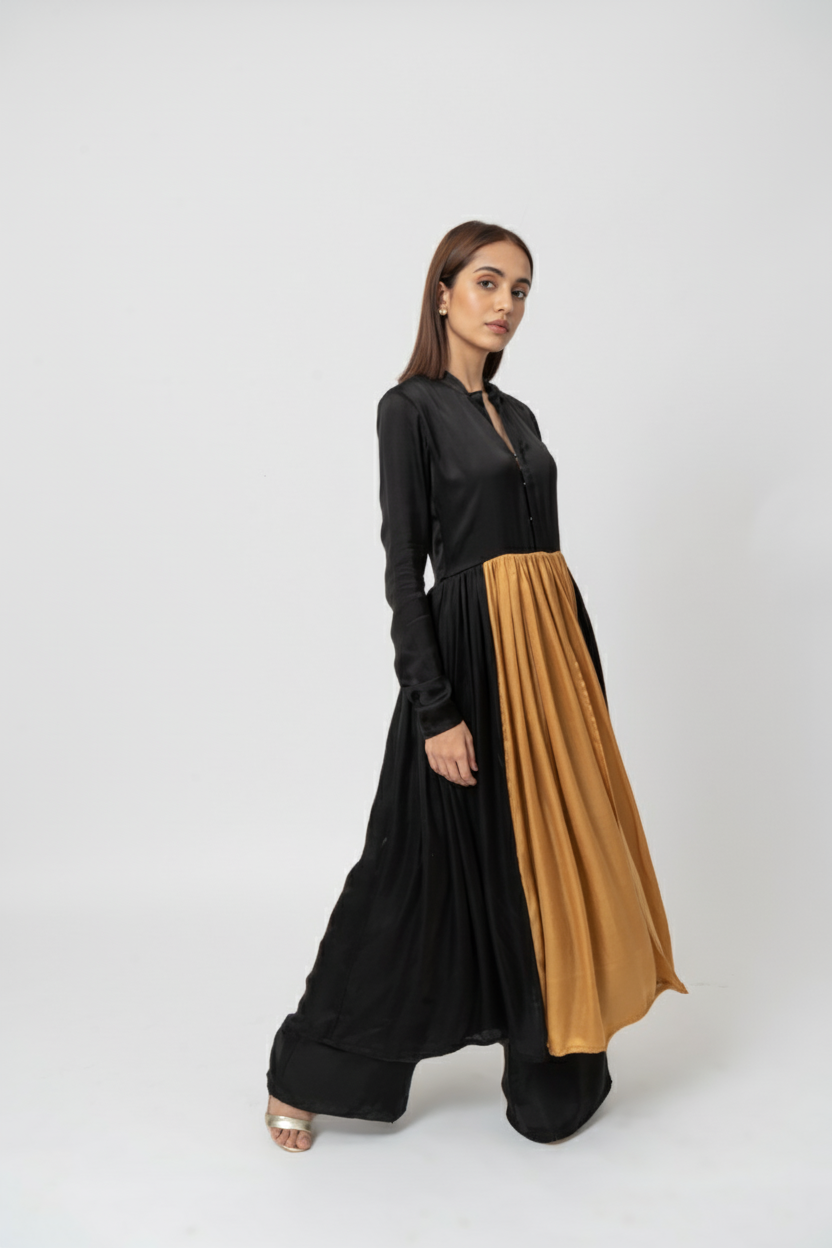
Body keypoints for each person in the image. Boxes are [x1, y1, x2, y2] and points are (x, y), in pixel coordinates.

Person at [264, 220, 687, 1152]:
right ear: (443, 292)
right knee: (412, 869)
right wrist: (436, 709)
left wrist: (576, 681)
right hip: (470, 659)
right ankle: (306, 1073)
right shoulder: (408, 408)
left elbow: (542, 557)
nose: (506, 304)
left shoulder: (519, 414)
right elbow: (403, 568)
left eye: (521, 290)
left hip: (552, 661)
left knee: (553, 855)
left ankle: (554, 1073)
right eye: (489, 282)